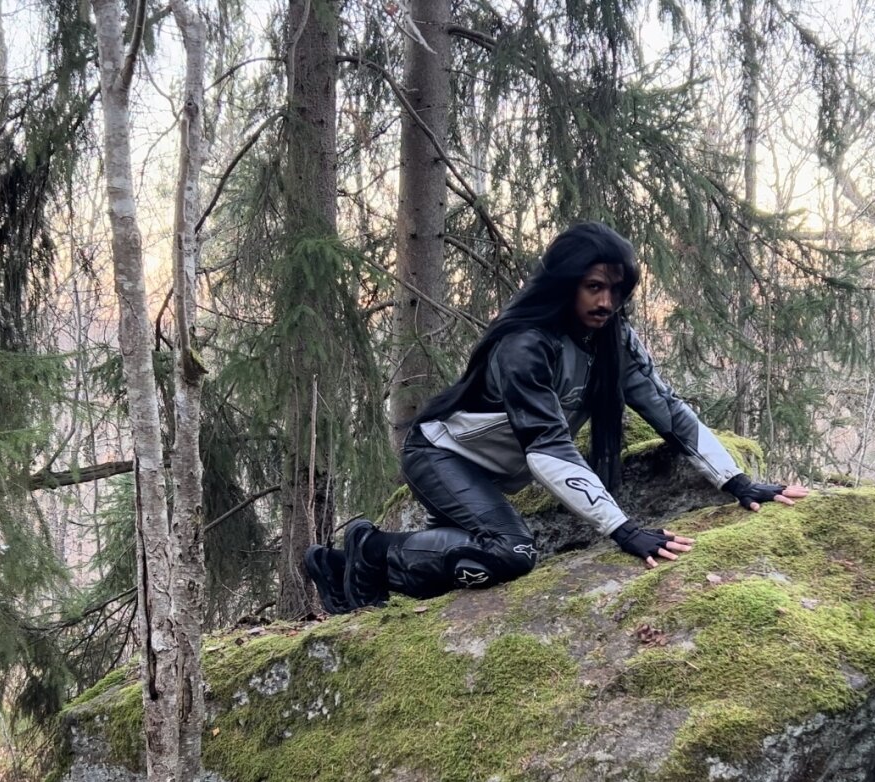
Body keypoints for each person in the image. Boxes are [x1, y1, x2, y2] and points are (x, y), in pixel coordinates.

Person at [304, 221, 809, 613]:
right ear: (566, 285)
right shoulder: (523, 346)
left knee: (474, 557)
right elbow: (547, 448)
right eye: (593, 286)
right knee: (511, 554)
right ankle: (370, 552)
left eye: (616, 289)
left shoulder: (614, 341)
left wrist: (738, 481)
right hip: (441, 456)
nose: (607, 301)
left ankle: (343, 565)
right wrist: (622, 529)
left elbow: (666, 408)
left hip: (492, 471)